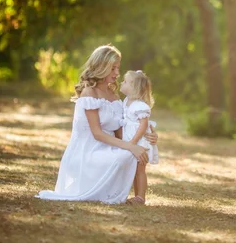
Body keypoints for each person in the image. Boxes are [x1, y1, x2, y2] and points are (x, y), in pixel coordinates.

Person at [36, 45, 158, 204]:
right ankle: (109, 193)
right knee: (128, 153)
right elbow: (97, 133)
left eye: (117, 68)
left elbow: (124, 129)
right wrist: (130, 147)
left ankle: (137, 197)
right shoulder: (89, 93)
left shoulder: (114, 95)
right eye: (113, 68)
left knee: (132, 155)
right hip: (87, 151)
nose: (117, 73)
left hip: (108, 147)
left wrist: (149, 137)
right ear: (101, 67)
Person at [119, 70, 159, 205]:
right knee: (133, 169)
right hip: (130, 140)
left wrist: (133, 142)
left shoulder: (140, 106)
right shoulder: (126, 101)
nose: (121, 83)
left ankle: (140, 197)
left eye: (124, 81)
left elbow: (143, 125)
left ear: (133, 88)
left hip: (140, 142)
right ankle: (136, 196)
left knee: (140, 170)